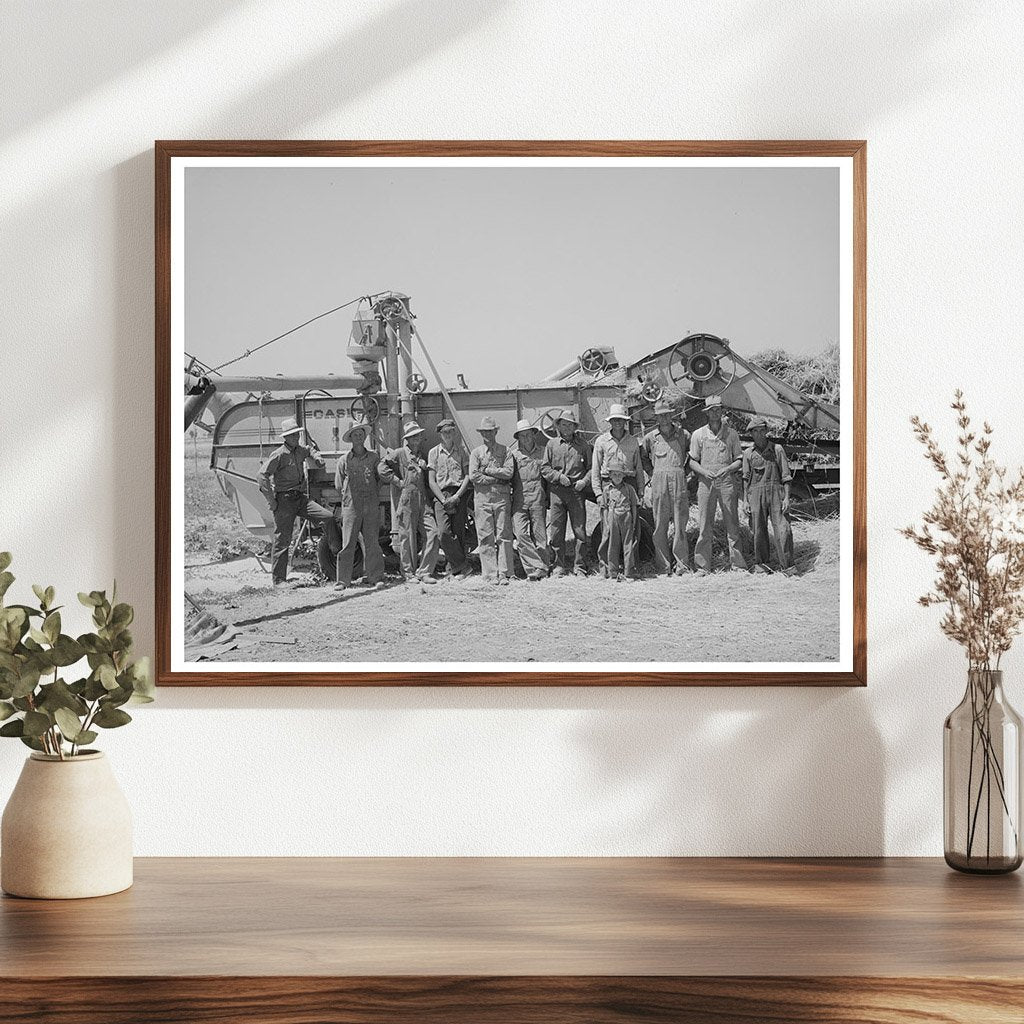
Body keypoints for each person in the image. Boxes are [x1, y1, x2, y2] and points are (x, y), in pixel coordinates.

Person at [257, 417, 339, 586]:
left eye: (297, 435)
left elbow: (310, 450)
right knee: (283, 540)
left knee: (328, 517)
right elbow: (261, 475)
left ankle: (336, 552)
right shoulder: (279, 455)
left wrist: (317, 458)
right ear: (285, 437)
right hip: (284, 501)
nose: (295, 438)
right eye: (292, 435)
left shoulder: (300, 450)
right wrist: (271, 500)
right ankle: (279, 581)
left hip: (300, 498)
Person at [689, 396, 747, 574]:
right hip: (706, 484)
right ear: (707, 413)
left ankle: (738, 565)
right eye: (712, 410)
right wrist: (704, 472)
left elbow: (739, 460)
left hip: (727, 482)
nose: (715, 413)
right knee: (705, 526)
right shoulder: (698, 435)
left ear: (722, 412)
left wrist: (728, 469)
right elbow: (692, 461)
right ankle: (703, 566)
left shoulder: (731, 434)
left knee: (732, 525)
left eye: (718, 409)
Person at [333, 419, 391, 591]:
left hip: (371, 505)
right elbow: (338, 484)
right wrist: (348, 499)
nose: (358, 437)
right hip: (351, 506)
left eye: (361, 434)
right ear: (351, 438)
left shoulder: (373, 457)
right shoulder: (344, 460)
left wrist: (373, 491)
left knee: (372, 542)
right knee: (348, 543)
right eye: (355, 434)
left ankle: (375, 577)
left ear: (365, 436)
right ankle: (343, 580)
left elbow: (381, 477)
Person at [592, 403, 645, 578]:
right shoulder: (601, 441)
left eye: (621, 420)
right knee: (607, 532)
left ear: (625, 422)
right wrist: (599, 493)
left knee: (632, 531)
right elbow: (595, 469)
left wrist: (641, 492)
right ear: (610, 422)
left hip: (628, 484)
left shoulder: (633, 441)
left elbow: (638, 468)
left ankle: (632, 569)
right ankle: (606, 569)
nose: (617, 423)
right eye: (614, 420)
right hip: (608, 486)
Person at [383, 421, 440, 584]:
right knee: (407, 536)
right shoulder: (399, 453)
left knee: (433, 533)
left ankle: (425, 571)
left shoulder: (422, 455)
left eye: (418, 435)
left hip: (423, 499)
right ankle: (408, 573)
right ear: (407, 439)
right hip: (407, 498)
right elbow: (382, 466)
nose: (416, 438)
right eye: (413, 436)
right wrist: (396, 480)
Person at [741, 416, 797, 576]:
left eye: (761, 430)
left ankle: (788, 566)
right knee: (758, 530)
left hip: (776, 494)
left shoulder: (777, 449)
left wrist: (786, 498)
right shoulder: (748, 454)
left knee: (783, 529)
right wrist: (745, 501)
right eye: (755, 431)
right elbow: (746, 478)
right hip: (756, 494)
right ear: (751, 434)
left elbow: (786, 476)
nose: (759, 434)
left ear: (766, 431)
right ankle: (763, 565)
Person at [641, 400, 691, 576]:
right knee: (660, 525)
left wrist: (685, 472)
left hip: (679, 481)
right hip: (659, 482)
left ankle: (682, 565)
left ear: (672, 415)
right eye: (661, 415)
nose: (664, 418)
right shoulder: (650, 437)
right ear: (656, 417)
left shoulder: (683, 435)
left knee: (680, 524)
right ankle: (663, 566)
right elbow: (644, 459)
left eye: (667, 414)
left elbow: (693, 457)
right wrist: (652, 473)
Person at [541, 408, 592, 577]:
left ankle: (580, 567)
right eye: (564, 424)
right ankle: (558, 566)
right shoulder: (552, 444)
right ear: (558, 426)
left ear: (574, 427)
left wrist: (584, 481)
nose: (567, 427)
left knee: (579, 531)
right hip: (557, 491)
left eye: (570, 425)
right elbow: (545, 468)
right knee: (556, 531)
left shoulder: (583, 445)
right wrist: (558, 476)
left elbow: (592, 469)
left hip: (577, 492)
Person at [469, 416, 514, 585]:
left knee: (504, 534)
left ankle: (505, 573)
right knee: (485, 535)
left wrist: (487, 470)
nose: (488, 434)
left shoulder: (506, 451)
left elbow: (509, 473)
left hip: (501, 499)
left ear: (496, 432)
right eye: (485, 432)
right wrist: (495, 478)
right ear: (481, 434)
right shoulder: (476, 453)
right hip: (482, 499)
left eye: (491, 431)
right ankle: (489, 573)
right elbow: (473, 475)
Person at [427, 418, 471, 578]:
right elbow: (431, 480)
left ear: (454, 433)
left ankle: (454, 569)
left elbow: (467, 476)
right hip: (441, 494)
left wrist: (457, 495)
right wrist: (443, 499)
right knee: (443, 532)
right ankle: (463, 565)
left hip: (458, 493)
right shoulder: (434, 453)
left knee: (458, 531)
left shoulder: (462, 452)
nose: (448, 435)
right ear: (440, 434)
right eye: (444, 432)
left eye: (450, 431)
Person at [509, 419, 551, 581]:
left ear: (534, 435)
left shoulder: (543, 452)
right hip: (520, 500)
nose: (525, 438)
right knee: (521, 535)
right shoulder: (513, 455)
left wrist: (547, 497)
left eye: (528, 434)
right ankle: (537, 566)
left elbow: (548, 476)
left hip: (538, 499)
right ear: (518, 438)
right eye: (522, 436)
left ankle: (540, 570)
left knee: (540, 536)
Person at [600, 456, 638, 581]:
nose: (617, 477)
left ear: (624, 475)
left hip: (626, 514)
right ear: (610, 475)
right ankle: (612, 572)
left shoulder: (629, 489)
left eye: (620, 474)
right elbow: (604, 507)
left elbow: (633, 506)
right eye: (614, 474)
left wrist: (633, 520)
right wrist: (606, 522)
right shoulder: (607, 490)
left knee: (628, 544)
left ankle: (629, 572)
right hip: (612, 515)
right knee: (612, 544)